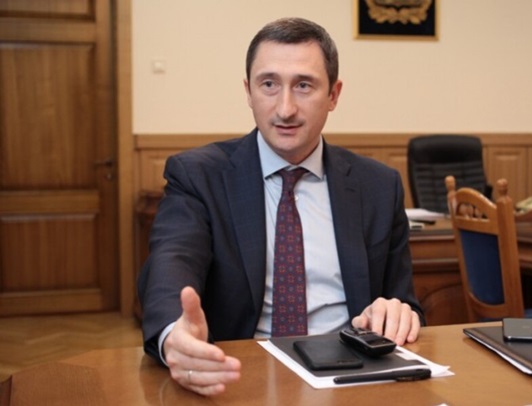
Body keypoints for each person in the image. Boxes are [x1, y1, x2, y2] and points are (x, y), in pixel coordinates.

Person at [137, 17, 424, 397]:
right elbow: (172, 261)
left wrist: (398, 313)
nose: (285, 109)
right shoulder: (198, 176)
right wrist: (174, 335)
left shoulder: (379, 186)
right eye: (269, 84)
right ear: (248, 91)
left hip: (353, 383)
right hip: (240, 379)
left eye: (303, 85)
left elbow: (403, 301)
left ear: (334, 95)